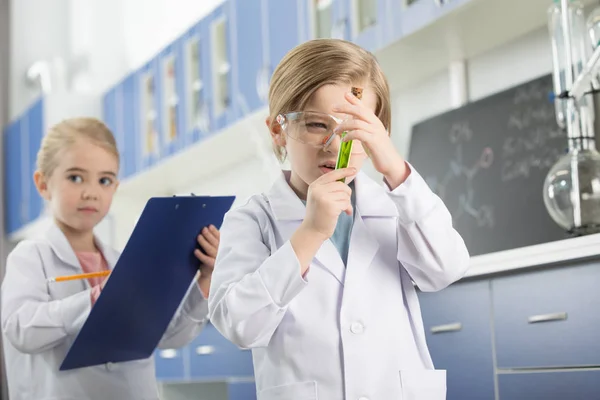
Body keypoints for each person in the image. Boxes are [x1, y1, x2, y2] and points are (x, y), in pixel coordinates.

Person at [208, 39, 470, 399]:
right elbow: (239, 323)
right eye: (317, 125)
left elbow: (446, 268)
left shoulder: (395, 205)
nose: (335, 144)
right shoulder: (253, 220)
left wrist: (395, 169)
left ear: (380, 132)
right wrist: (310, 234)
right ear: (278, 129)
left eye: (357, 127)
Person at [1, 117, 220, 400]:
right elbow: (20, 330)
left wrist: (205, 278)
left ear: (114, 188)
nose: (91, 192)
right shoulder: (31, 257)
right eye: (75, 177)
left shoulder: (123, 262)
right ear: (43, 184)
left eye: (105, 180)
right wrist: (94, 300)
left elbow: (168, 336)